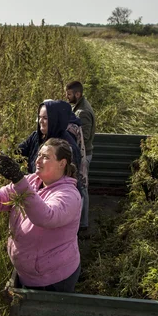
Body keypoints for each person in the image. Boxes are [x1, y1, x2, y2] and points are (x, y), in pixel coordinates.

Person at [0, 138, 82, 292]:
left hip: (53, 278)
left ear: (62, 163)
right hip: (29, 273)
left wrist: (18, 179)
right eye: (39, 155)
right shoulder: (33, 181)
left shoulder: (69, 195)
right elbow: (5, 194)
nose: (38, 160)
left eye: (46, 157)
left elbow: (45, 216)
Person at [18, 100, 82, 187]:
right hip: (35, 188)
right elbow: (18, 152)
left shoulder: (67, 146)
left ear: (55, 120)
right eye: (40, 117)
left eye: (45, 118)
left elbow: (70, 179)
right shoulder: (36, 137)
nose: (40, 121)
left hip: (56, 192)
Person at [66, 81, 96, 231]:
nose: (67, 97)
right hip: (83, 154)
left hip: (84, 155)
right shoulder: (79, 107)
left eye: (69, 94)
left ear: (78, 94)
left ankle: (83, 224)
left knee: (82, 188)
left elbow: (84, 136)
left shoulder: (82, 112)